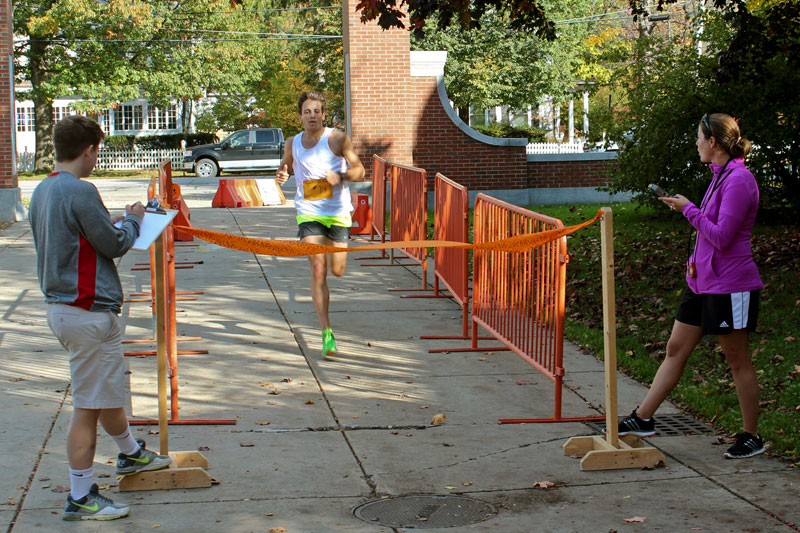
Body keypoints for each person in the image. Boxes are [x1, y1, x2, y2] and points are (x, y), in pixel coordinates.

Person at [29, 115, 171, 521]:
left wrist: (111, 220)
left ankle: (130, 453)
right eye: (97, 152)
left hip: (69, 309)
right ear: (89, 150)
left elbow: (74, 235)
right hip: (86, 310)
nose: (96, 159)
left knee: (105, 392)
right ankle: (81, 494)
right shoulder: (81, 190)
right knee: (87, 406)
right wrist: (133, 220)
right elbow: (113, 244)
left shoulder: (43, 189)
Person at [618, 113, 764, 459]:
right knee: (675, 348)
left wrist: (689, 210)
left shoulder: (739, 180)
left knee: (736, 358)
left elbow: (723, 237)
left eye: (699, 138)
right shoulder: (720, 175)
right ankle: (642, 418)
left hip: (731, 285)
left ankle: (752, 436)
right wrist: (688, 210)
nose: (695, 143)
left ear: (713, 142)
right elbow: (708, 225)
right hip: (701, 283)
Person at [275, 91, 365, 359]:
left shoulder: (336, 138)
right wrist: (281, 174)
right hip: (309, 211)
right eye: (307, 111)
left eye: (316, 111)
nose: (312, 115)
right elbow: (285, 167)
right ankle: (326, 332)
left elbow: (360, 170)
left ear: (323, 115)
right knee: (317, 269)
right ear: (301, 115)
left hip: (337, 212)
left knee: (336, 270)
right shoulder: (293, 142)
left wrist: (341, 175)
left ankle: (330, 258)